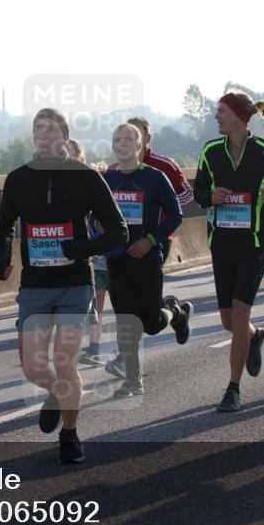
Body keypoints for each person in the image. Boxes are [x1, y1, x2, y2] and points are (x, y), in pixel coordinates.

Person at [0, 108, 127, 463]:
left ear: (64, 137)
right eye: (37, 128)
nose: (43, 135)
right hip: (35, 284)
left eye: (51, 129)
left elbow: (118, 230)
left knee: (64, 362)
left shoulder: (85, 177)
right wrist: (2, 256)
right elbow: (5, 225)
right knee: (33, 367)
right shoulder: (18, 179)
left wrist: (82, 248)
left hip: (74, 283)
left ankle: (69, 433)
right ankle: (55, 392)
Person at [194, 90, 264, 412]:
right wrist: (212, 196)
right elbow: (198, 193)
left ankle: (232, 388)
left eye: (221, 111)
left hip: (254, 245)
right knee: (229, 322)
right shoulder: (211, 152)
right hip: (221, 244)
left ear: (238, 115)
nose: (216, 117)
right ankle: (253, 336)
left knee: (239, 312)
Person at [101, 123, 192, 398]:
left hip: (147, 258)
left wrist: (151, 240)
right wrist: (100, 229)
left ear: (140, 145)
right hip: (117, 260)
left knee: (151, 324)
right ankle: (132, 381)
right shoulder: (108, 179)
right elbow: (94, 214)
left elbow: (176, 216)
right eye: (118, 139)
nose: (123, 143)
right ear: (113, 144)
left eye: (130, 138)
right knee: (126, 323)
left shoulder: (154, 177)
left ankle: (175, 311)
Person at [124, 117, 194, 262]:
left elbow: (187, 195)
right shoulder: (116, 167)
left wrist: (163, 203)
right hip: (126, 237)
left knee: (149, 282)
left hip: (158, 236)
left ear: (147, 138)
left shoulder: (166, 165)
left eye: (136, 134)